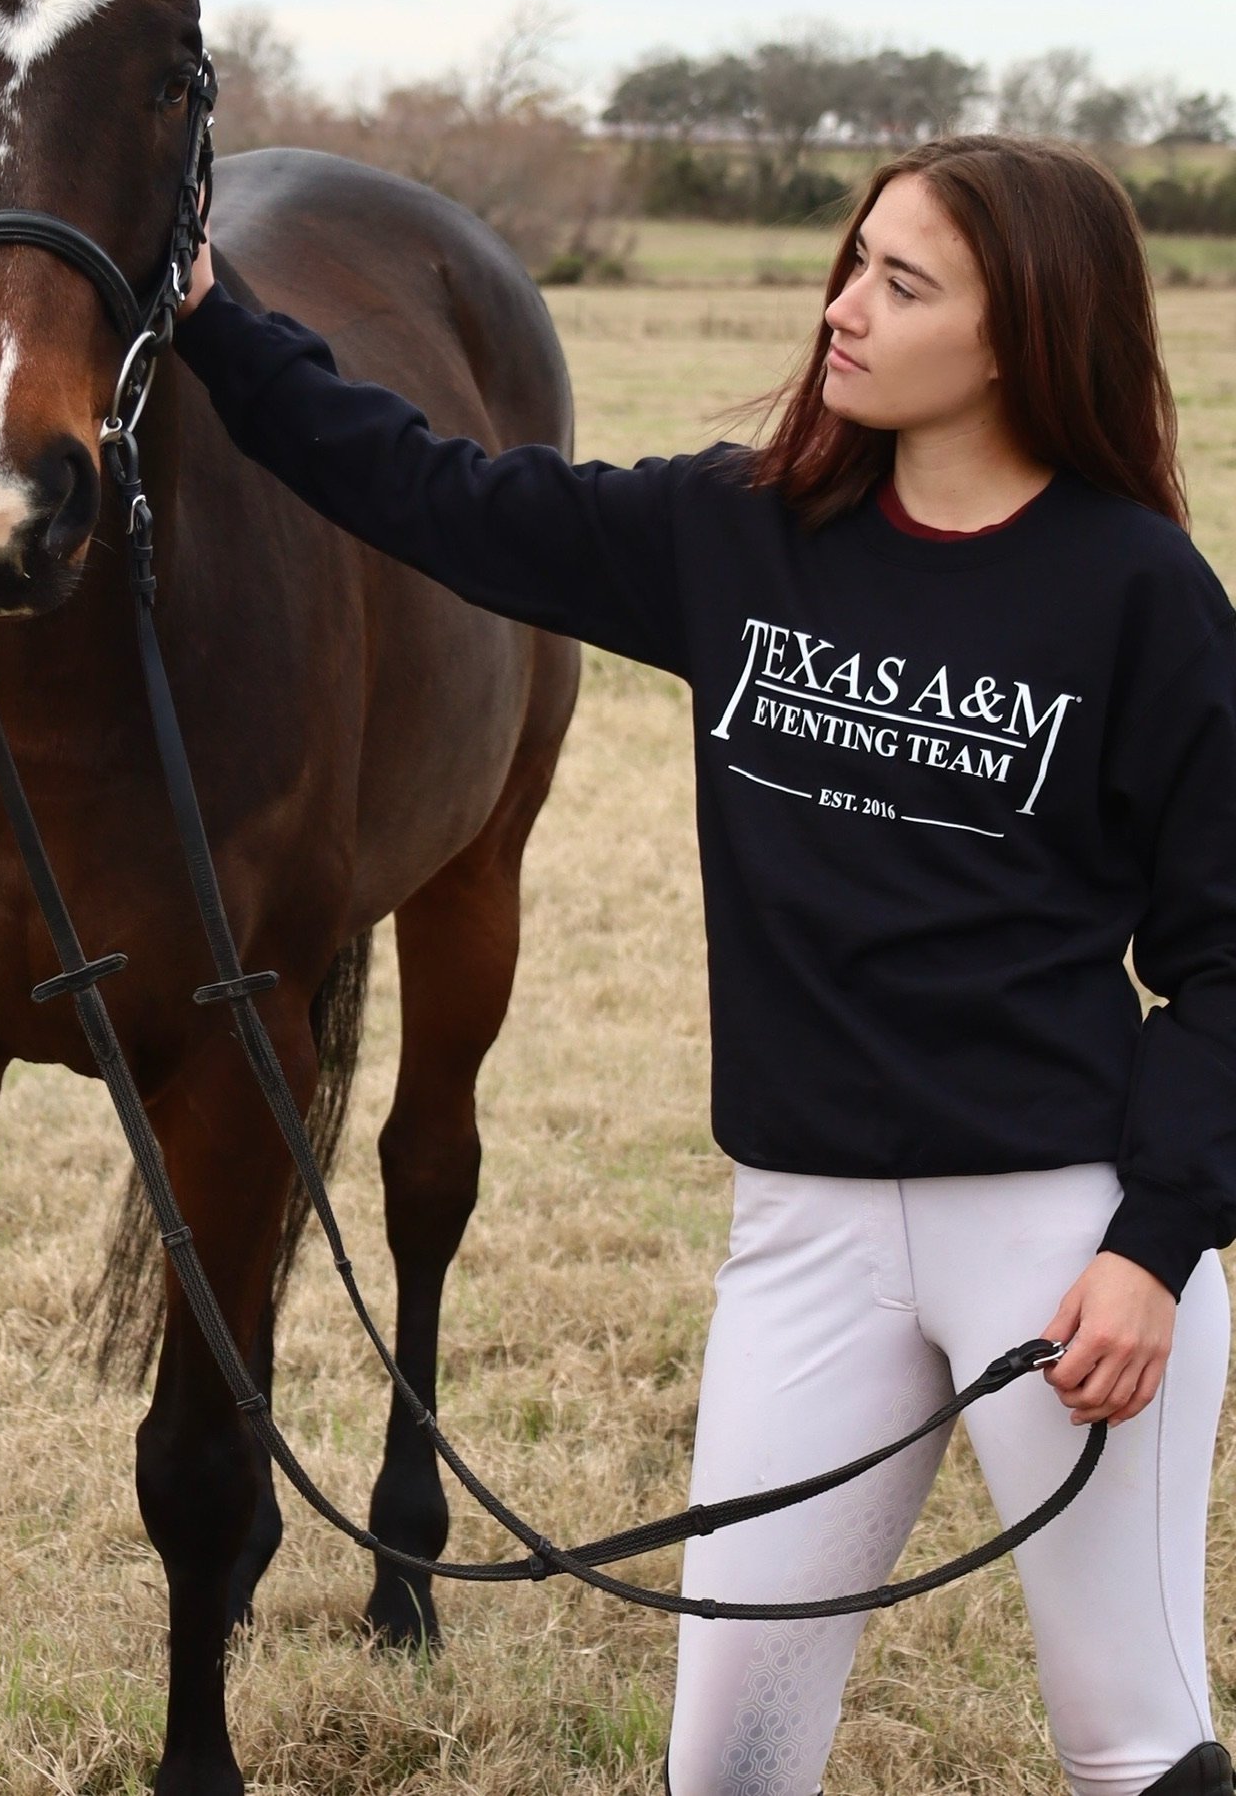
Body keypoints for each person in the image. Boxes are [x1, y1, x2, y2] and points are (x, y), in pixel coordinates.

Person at [173, 135, 1236, 1796]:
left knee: (1134, 1751)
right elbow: (427, 489)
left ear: (1023, 331)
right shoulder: (740, 535)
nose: (844, 308)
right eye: (852, 260)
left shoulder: (1140, 594)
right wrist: (215, 317)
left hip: (1061, 1240)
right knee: (728, 1766)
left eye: (904, 281)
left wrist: (1156, 1249)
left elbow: (1224, 962)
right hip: (803, 1233)